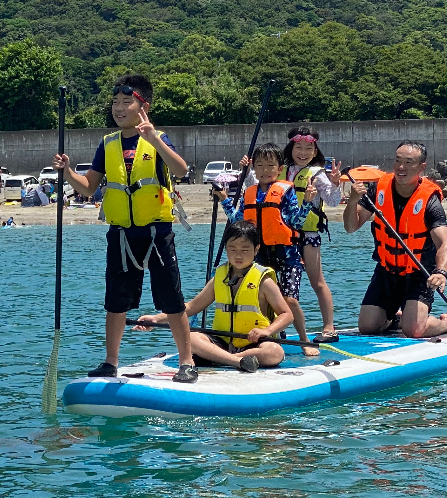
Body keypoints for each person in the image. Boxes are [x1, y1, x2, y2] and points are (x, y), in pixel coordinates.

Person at [53, 74, 198, 383]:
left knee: (171, 299)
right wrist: (66, 171)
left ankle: (187, 362)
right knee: (116, 302)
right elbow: (89, 188)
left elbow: (181, 170)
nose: (118, 108)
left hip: (157, 232)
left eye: (126, 102)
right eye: (115, 103)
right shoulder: (107, 144)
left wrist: (154, 140)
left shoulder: (157, 137)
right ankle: (110, 361)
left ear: (142, 105)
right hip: (121, 234)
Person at [137, 221, 292, 372]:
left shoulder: (264, 281)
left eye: (245, 250)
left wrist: (266, 331)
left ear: (256, 249)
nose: (238, 255)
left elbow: (287, 315)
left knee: (274, 351)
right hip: (222, 342)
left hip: (254, 344)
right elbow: (191, 307)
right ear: (226, 248)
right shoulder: (219, 277)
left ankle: (222, 358)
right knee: (191, 338)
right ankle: (238, 362)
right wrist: (157, 319)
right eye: (232, 249)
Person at [213, 143, 319, 357]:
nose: (264, 170)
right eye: (259, 165)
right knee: (264, 299)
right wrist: (225, 200)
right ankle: (274, 337)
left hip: (287, 254)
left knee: (289, 300)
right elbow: (238, 221)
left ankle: (304, 339)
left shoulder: (285, 191)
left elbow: (296, 222)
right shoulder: (249, 193)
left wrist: (307, 202)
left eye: (270, 165)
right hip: (260, 254)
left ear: (279, 169)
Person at [343, 140, 447, 338]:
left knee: (413, 331)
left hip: (419, 275)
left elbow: (443, 243)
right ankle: (397, 318)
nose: (401, 167)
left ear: (421, 167)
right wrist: (352, 201)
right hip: (387, 271)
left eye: (409, 162)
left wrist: (441, 272)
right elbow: (351, 227)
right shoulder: (378, 189)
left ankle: (444, 323)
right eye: (397, 161)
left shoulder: (429, 199)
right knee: (367, 327)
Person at [282, 127, 344, 342]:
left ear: (315, 151)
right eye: (299, 147)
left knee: (317, 282)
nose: (303, 152)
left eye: (309, 148)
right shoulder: (281, 170)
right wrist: (246, 168)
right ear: (291, 148)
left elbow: (334, 201)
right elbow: (254, 185)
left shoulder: (318, 175)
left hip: (308, 234)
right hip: (282, 234)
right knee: (276, 281)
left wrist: (335, 184)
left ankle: (329, 327)